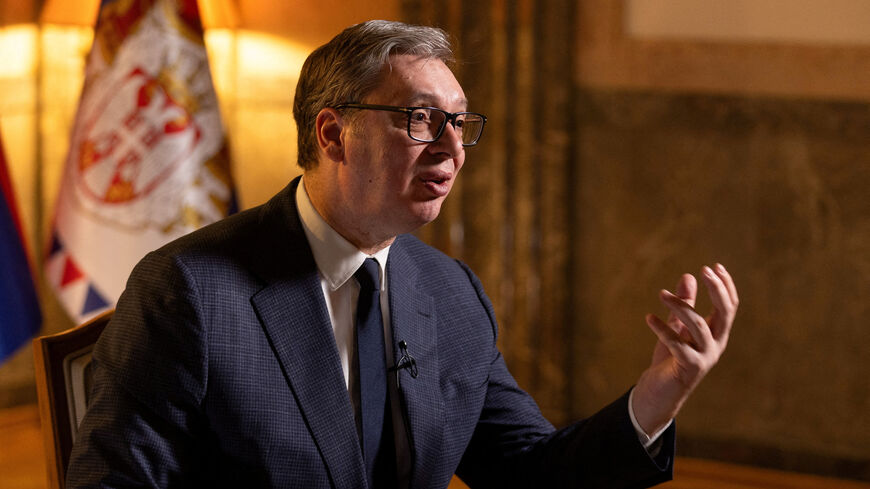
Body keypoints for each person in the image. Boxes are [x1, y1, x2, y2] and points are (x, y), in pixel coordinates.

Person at [67, 20, 738, 489]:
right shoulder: (189, 291)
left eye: (460, 123)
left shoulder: (449, 293)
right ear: (333, 133)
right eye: (420, 120)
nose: (450, 149)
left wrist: (658, 395)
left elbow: (533, 473)